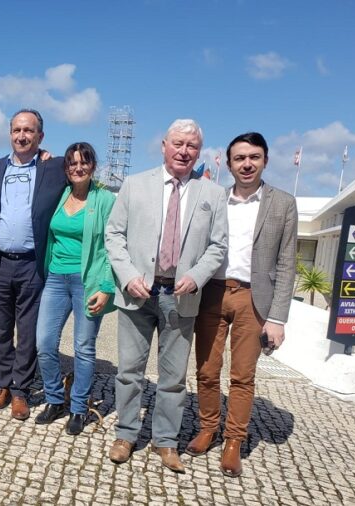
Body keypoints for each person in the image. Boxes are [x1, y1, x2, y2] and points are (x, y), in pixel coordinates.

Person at [105, 119, 228, 472]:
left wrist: (197, 276)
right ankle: (126, 434)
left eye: (192, 146)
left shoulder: (212, 194)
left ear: (199, 152)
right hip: (138, 291)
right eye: (178, 143)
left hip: (181, 294)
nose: (184, 151)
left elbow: (218, 246)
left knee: (173, 377)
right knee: (129, 370)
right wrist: (128, 276)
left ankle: (166, 440)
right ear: (163, 145)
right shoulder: (134, 184)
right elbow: (114, 235)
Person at [185, 132, 297, 477]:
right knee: (206, 369)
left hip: (254, 298)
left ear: (265, 160)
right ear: (230, 163)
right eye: (240, 158)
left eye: (254, 157)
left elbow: (286, 264)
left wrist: (277, 318)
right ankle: (208, 427)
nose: (247, 164)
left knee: (243, 375)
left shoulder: (283, 203)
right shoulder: (215, 199)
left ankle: (234, 439)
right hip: (213, 293)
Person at [0, 109, 67, 421]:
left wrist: (48, 156)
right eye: (17, 130)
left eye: (28, 130)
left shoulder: (53, 167)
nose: (22, 136)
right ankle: (1, 384)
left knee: (28, 331)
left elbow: (82, 168)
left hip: (32, 263)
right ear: (10, 133)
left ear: (40, 136)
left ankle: (20, 391)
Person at [34, 142, 116, 435]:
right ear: (66, 168)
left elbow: (114, 246)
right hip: (56, 278)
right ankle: (55, 399)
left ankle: (79, 407)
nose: (78, 168)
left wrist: (107, 286)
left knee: (83, 347)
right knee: (44, 343)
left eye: (84, 162)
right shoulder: (61, 194)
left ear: (93, 166)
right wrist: (43, 154)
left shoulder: (105, 199)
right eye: (72, 163)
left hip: (88, 282)